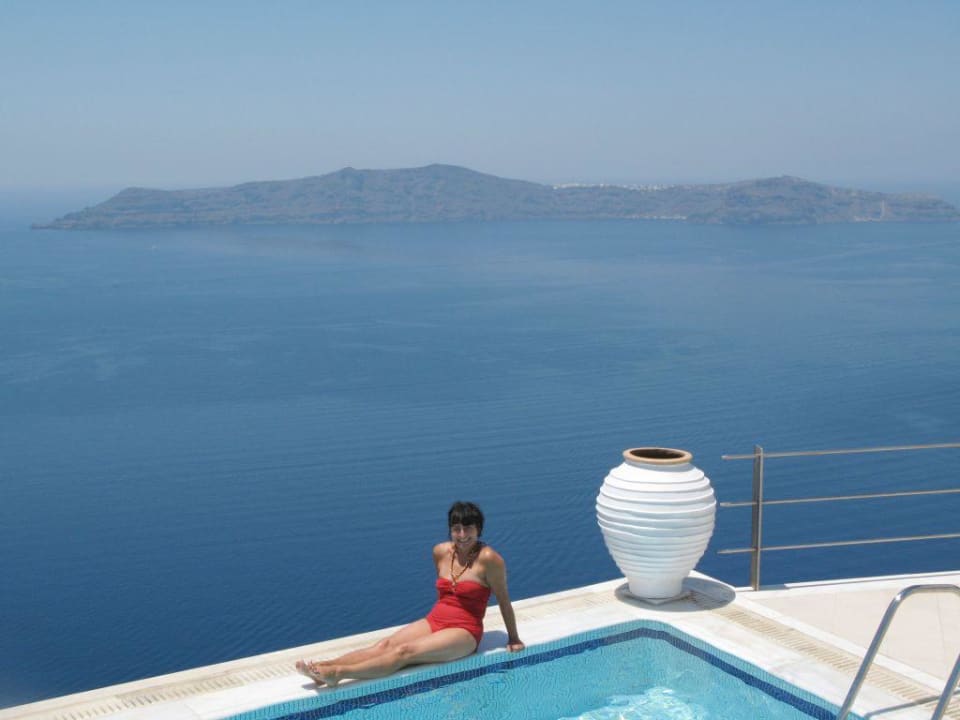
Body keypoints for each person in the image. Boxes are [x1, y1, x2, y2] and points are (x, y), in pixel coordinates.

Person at [296, 501, 524, 687]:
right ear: (450, 530)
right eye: (456, 528)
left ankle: (338, 673)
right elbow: (446, 595)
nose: (462, 534)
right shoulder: (440, 552)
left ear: (479, 530)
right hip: (435, 620)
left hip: (464, 631)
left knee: (405, 652)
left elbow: (503, 601)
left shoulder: (490, 560)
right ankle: (323, 668)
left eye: (468, 528)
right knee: (384, 645)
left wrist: (513, 638)